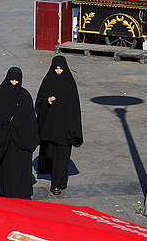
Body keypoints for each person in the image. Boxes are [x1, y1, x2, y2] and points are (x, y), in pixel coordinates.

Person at [0, 67, 39, 198]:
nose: (14, 83)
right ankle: (5, 191)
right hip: (4, 142)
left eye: (16, 80)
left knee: (19, 168)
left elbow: (30, 119)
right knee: (6, 169)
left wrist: (30, 138)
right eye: (11, 80)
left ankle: (19, 192)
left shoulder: (25, 96)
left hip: (21, 143)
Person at [35, 56, 83, 195]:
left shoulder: (70, 83)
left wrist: (75, 131)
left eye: (61, 68)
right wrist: (47, 101)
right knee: (51, 156)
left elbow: (75, 108)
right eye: (56, 68)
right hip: (50, 130)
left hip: (65, 130)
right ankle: (58, 180)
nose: (58, 71)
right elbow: (39, 102)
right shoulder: (48, 81)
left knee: (62, 159)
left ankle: (57, 184)